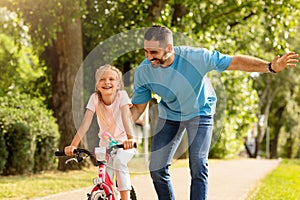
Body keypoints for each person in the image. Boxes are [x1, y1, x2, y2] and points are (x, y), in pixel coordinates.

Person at [130, 25, 299, 200]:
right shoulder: (144, 72)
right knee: (157, 168)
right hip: (171, 115)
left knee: (197, 163)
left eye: (154, 52)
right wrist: (121, 128)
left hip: (200, 112)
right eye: (146, 52)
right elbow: (137, 108)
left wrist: (270, 66)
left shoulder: (196, 57)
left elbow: (235, 62)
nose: (149, 57)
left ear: (169, 48)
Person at [65, 64, 136, 200]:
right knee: (104, 175)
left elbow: (126, 118)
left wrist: (130, 138)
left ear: (118, 84)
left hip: (124, 143)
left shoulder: (122, 96)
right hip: (105, 145)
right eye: (102, 79)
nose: (107, 82)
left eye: (111, 79)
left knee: (119, 162)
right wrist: (73, 145)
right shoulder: (95, 99)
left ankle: (125, 198)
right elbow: (85, 124)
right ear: (97, 85)